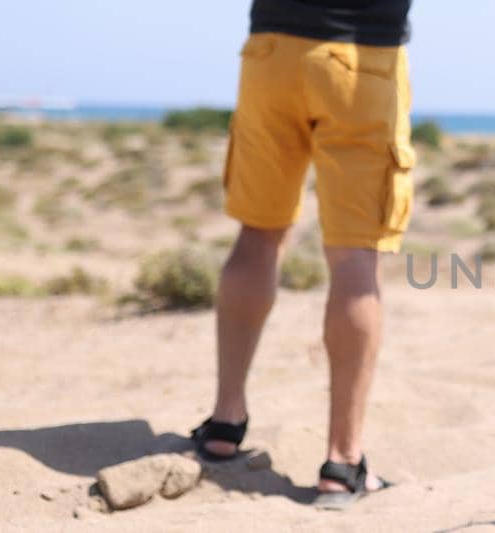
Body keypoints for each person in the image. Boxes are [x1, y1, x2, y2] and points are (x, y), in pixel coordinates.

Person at [190, 0, 415, 509]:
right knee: (356, 258)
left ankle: (225, 421)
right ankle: (342, 461)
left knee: (258, 236)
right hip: (363, 57)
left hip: (273, 53)